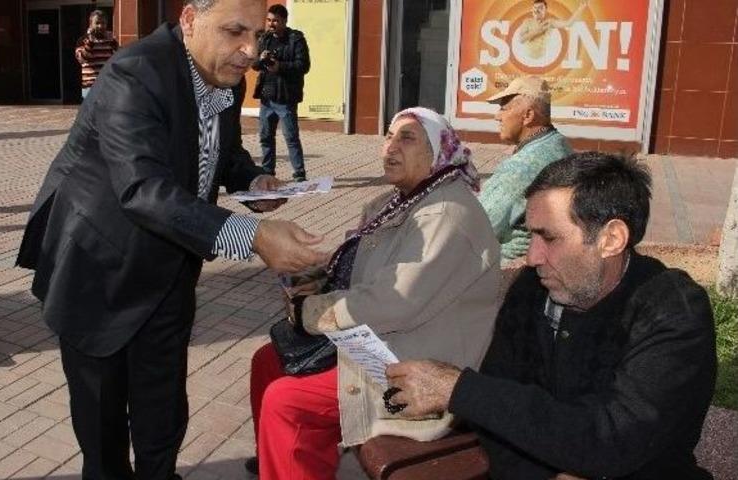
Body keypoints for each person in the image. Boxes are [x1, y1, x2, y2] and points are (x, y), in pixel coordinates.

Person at [15, 0, 327, 478]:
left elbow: (223, 152)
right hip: (98, 272)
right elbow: (142, 189)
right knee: (103, 431)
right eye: (234, 32)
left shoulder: (223, 73)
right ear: (189, 20)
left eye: (256, 36)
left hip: (170, 270)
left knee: (161, 412)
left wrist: (255, 181)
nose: (248, 51)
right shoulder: (135, 73)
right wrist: (254, 236)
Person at [387, 152, 717, 480]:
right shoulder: (535, 287)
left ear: (611, 239)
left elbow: (615, 437)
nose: (532, 256)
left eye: (550, 237)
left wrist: (459, 389)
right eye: (531, 235)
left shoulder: (674, 312)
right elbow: (499, 416)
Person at [245, 107, 501, 479]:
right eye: (388, 136)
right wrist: (311, 274)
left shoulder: (446, 215)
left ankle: (288, 453)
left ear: (439, 151)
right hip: (382, 340)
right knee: (267, 361)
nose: (390, 147)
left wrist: (311, 312)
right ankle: (281, 459)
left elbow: (393, 302)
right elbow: (360, 267)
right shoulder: (397, 201)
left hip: (420, 367)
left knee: (287, 402)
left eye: (407, 138)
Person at [478, 75, 572, 264]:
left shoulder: (520, 167)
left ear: (528, 116)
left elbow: (476, 227)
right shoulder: (558, 143)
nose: (498, 116)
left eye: (504, 108)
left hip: (507, 265)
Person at [252, 4, 310, 182]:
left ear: (284, 21)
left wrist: (280, 66)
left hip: (285, 96)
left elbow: (303, 65)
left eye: (275, 20)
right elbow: (254, 65)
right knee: (265, 137)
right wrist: (261, 59)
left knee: (291, 137)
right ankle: (268, 171)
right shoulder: (265, 39)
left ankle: (299, 173)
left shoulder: (296, 39)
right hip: (267, 96)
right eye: (269, 20)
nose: (271, 24)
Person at [518, 0, 589, 64]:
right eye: (535, 7)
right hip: (527, 59)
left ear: (545, 10)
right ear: (532, 9)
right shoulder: (527, 22)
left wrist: (581, 8)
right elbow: (521, 40)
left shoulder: (550, 22)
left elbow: (568, 23)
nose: (537, 10)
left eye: (540, 7)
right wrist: (537, 31)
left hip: (543, 59)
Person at [74, 9, 117, 100]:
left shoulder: (111, 40)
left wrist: (113, 43)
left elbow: (117, 59)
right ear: (91, 24)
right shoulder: (82, 40)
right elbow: (82, 58)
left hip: (107, 84)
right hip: (90, 86)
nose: (100, 26)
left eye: (103, 23)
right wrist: (90, 41)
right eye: (97, 23)